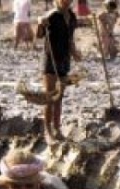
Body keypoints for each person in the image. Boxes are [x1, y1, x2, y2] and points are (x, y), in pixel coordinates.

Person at [36, 0, 81, 144]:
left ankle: (57, 129)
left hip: (64, 60)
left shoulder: (72, 17)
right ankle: (47, 131)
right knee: (50, 97)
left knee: (59, 97)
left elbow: (70, 39)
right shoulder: (52, 15)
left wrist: (75, 53)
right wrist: (40, 23)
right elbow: (39, 35)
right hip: (50, 60)